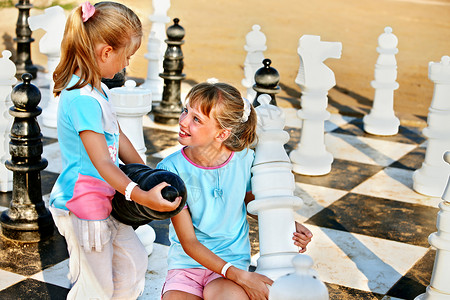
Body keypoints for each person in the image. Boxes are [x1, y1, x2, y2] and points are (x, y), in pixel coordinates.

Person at [49, 2, 182, 299]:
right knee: (96, 288)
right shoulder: (81, 98)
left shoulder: (99, 90)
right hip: (83, 206)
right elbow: (101, 164)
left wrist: (150, 176)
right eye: (127, 57)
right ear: (106, 52)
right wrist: (139, 192)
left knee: (133, 265)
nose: (125, 65)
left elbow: (117, 137)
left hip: (106, 197)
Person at [157, 82, 313, 300]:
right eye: (186, 110)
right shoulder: (170, 169)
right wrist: (243, 278)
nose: (183, 121)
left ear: (222, 134)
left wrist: (286, 223)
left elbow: (252, 203)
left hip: (231, 263)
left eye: (196, 119)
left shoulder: (244, 159)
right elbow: (189, 242)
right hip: (186, 266)